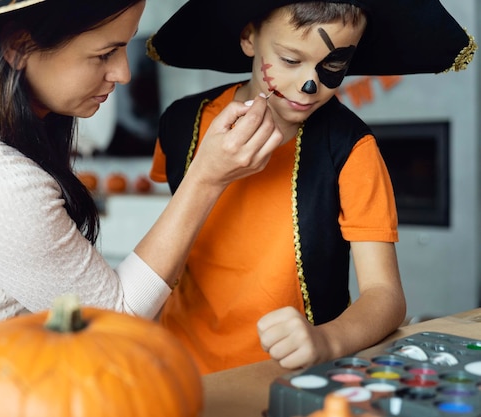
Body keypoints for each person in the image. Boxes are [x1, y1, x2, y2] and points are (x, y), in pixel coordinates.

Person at [0, 0, 283, 415]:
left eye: (125, 46)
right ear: (19, 46)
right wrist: (206, 178)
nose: (124, 73)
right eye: (104, 53)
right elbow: (111, 322)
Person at [146, 0, 477, 374]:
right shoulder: (180, 123)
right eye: (290, 60)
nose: (309, 84)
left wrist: (326, 340)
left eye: (333, 66)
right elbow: (167, 248)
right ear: (249, 38)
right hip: (179, 363)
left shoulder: (352, 149)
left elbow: (384, 295)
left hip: (290, 374)